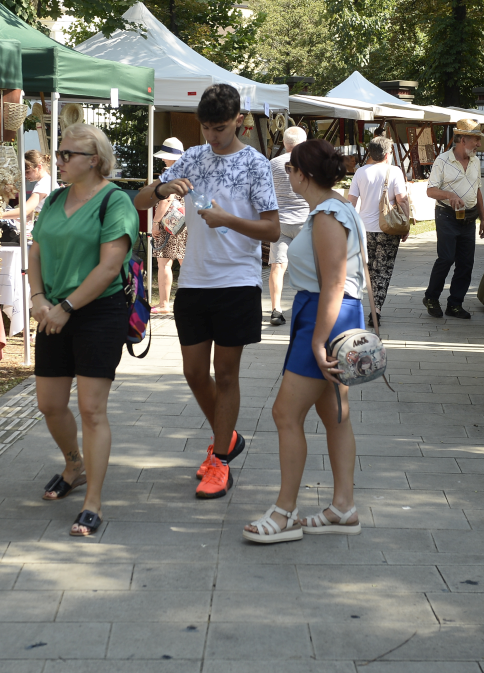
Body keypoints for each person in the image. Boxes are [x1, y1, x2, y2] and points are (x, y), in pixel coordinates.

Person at [133, 83, 280, 499]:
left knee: (226, 374)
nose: (212, 137)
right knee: (194, 373)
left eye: (220, 128)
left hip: (238, 281)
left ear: (238, 121)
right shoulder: (192, 158)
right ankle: (226, 438)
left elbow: (272, 229)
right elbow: (140, 200)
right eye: (206, 128)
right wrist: (163, 189)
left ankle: (220, 460)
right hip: (195, 280)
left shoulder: (255, 164)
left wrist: (227, 219)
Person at [243, 138, 364, 543]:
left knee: (285, 413)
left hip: (324, 316)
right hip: (332, 315)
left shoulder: (328, 214)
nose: (288, 175)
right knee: (335, 415)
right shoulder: (335, 207)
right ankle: (343, 506)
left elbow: (334, 283)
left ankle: (285, 513)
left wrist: (317, 340)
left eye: (291, 169)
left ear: (303, 174)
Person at [28, 124, 139, 537]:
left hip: (98, 312)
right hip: (53, 309)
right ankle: (73, 463)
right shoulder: (55, 199)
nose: (58, 161)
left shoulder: (115, 201)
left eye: (67, 154)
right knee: (49, 404)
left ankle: (93, 501)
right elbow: (36, 250)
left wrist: (67, 307)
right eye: (58, 153)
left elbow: (109, 267)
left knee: (92, 409)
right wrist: (39, 298)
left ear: (94, 160)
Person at [423, 118, 484, 320]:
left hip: (469, 218)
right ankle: (431, 298)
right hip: (447, 216)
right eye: (476, 139)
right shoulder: (442, 160)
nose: (479, 144)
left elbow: (477, 190)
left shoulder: (475, 161)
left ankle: (455, 303)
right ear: (462, 139)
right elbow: (430, 190)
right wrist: (449, 195)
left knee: (466, 263)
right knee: (446, 258)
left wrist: (483, 219)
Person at [348, 136, 409, 322]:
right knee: (383, 270)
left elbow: (351, 202)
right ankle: (376, 309)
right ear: (387, 154)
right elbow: (402, 200)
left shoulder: (360, 173)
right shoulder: (394, 171)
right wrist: (405, 224)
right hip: (388, 229)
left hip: (364, 229)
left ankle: (355, 305)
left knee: (366, 269)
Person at [267, 126, 311, 326]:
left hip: (280, 222)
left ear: (284, 143)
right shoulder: (310, 163)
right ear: (304, 143)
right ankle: (307, 308)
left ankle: (276, 310)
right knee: (308, 266)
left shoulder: (273, 164)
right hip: (305, 221)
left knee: (278, 266)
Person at [150, 138, 187, 313]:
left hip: (169, 223)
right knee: (186, 262)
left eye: (165, 156)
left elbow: (166, 200)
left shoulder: (170, 174)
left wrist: (155, 222)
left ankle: (164, 303)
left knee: (164, 263)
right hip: (184, 220)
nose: (163, 159)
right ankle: (190, 302)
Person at [0, 151, 52, 224]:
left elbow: (25, 210)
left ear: (39, 167)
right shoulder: (47, 181)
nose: (25, 175)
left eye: (27, 172)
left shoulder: (43, 184)